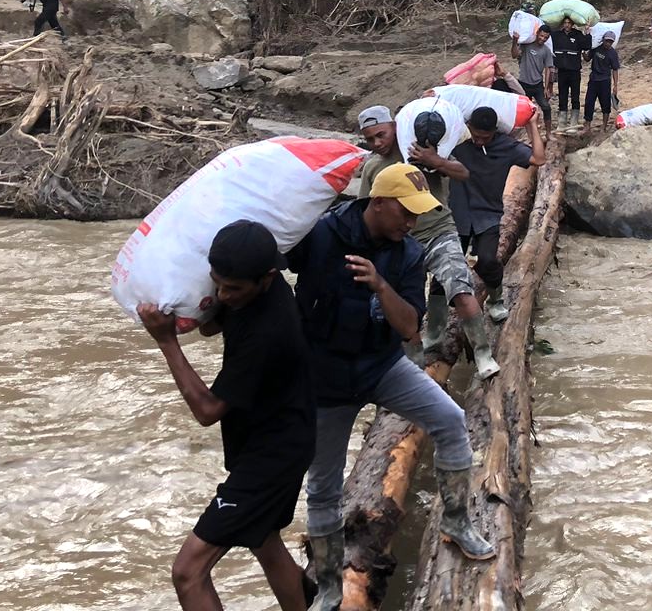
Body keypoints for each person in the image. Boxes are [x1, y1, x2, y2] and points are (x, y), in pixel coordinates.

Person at [288, 164, 495, 609]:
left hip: (380, 366)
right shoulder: (321, 234)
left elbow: (407, 327)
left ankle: (456, 521)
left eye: (418, 214)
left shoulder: (409, 254)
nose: (412, 222)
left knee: (451, 420)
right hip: (324, 378)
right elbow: (271, 261)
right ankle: (329, 585)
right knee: (322, 486)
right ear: (378, 202)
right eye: (405, 212)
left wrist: (381, 286)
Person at [136, 220, 314, 611]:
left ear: (267, 278)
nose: (223, 295)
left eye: (233, 288)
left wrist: (166, 341)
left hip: (272, 457)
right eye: (217, 284)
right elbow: (211, 327)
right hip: (279, 438)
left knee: (188, 572)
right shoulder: (255, 289)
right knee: (264, 539)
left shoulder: (268, 333)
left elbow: (207, 410)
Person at [353, 105, 499, 380]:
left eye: (381, 135)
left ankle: (483, 353)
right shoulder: (373, 166)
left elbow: (462, 173)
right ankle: (417, 365)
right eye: (370, 139)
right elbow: (364, 210)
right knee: (406, 306)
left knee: (460, 289)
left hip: (439, 232)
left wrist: (435, 161)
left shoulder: (421, 149)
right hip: (401, 243)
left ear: (395, 127)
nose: (377, 143)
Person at [450, 107, 545, 325]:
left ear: (494, 131)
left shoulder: (506, 146)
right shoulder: (457, 144)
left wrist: (532, 125)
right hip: (457, 214)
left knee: (487, 260)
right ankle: (435, 330)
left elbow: (539, 158)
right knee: (444, 269)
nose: (479, 141)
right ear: (468, 128)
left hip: (488, 214)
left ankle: (495, 299)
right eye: (475, 135)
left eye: (485, 137)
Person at [510, 22, 554, 129]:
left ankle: (548, 133)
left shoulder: (546, 51)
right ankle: (527, 131)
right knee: (524, 110)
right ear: (537, 33)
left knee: (546, 107)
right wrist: (515, 41)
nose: (543, 39)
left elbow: (548, 69)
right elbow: (514, 55)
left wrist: (547, 88)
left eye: (546, 37)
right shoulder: (526, 45)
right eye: (541, 35)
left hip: (538, 85)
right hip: (523, 84)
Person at [549, 19, 589, 125]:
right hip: (562, 71)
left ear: (572, 24)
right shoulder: (556, 35)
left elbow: (587, 46)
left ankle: (574, 119)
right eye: (565, 23)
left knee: (575, 95)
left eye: (569, 23)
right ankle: (562, 119)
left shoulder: (578, 35)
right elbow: (547, 41)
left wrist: (587, 33)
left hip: (575, 71)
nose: (567, 25)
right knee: (562, 95)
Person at [584, 33, 621, 129]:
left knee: (605, 103)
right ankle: (587, 125)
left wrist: (615, 85)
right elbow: (587, 58)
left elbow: (615, 69)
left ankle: (604, 126)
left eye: (610, 42)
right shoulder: (596, 48)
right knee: (589, 102)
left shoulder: (613, 53)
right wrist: (583, 52)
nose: (608, 43)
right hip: (593, 79)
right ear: (603, 39)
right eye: (607, 41)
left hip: (605, 81)